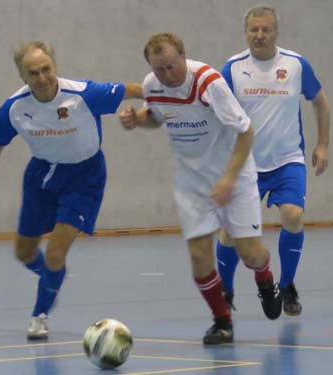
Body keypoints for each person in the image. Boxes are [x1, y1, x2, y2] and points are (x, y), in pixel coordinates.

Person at [0, 41, 142, 340]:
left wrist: (166, 101)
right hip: (41, 175)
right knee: (24, 252)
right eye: (34, 73)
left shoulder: (84, 94)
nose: (42, 78)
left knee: (55, 253)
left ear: (55, 67)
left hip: (85, 176)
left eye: (47, 70)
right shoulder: (14, 108)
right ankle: (52, 277)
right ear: (23, 76)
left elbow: (135, 89)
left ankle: (39, 314)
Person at [119, 32, 282, 345]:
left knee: (250, 254)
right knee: (198, 255)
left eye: (171, 66)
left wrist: (229, 179)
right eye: (159, 69)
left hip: (232, 173)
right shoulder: (153, 85)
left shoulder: (208, 82)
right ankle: (222, 321)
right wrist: (136, 120)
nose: (167, 75)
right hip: (191, 181)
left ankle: (265, 278)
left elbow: (246, 132)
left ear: (184, 55)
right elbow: (156, 116)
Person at [216, 5, 330, 316]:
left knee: (293, 215)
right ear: (246, 33)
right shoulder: (233, 68)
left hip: (287, 160)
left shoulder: (295, 65)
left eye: (266, 29)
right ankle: (224, 292)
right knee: (229, 232)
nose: (260, 35)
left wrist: (322, 145)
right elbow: (218, 113)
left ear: (276, 33)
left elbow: (320, 102)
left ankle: (288, 285)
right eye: (254, 30)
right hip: (246, 163)